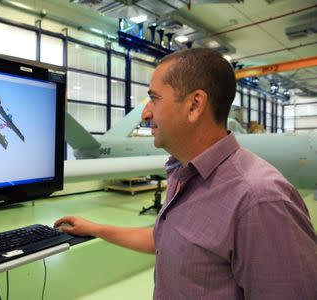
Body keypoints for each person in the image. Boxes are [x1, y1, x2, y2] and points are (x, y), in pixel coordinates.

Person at [55, 48, 317, 299]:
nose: (145, 113)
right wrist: (95, 228)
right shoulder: (183, 172)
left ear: (194, 105)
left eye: (154, 99)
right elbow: (166, 239)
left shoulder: (261, 201)